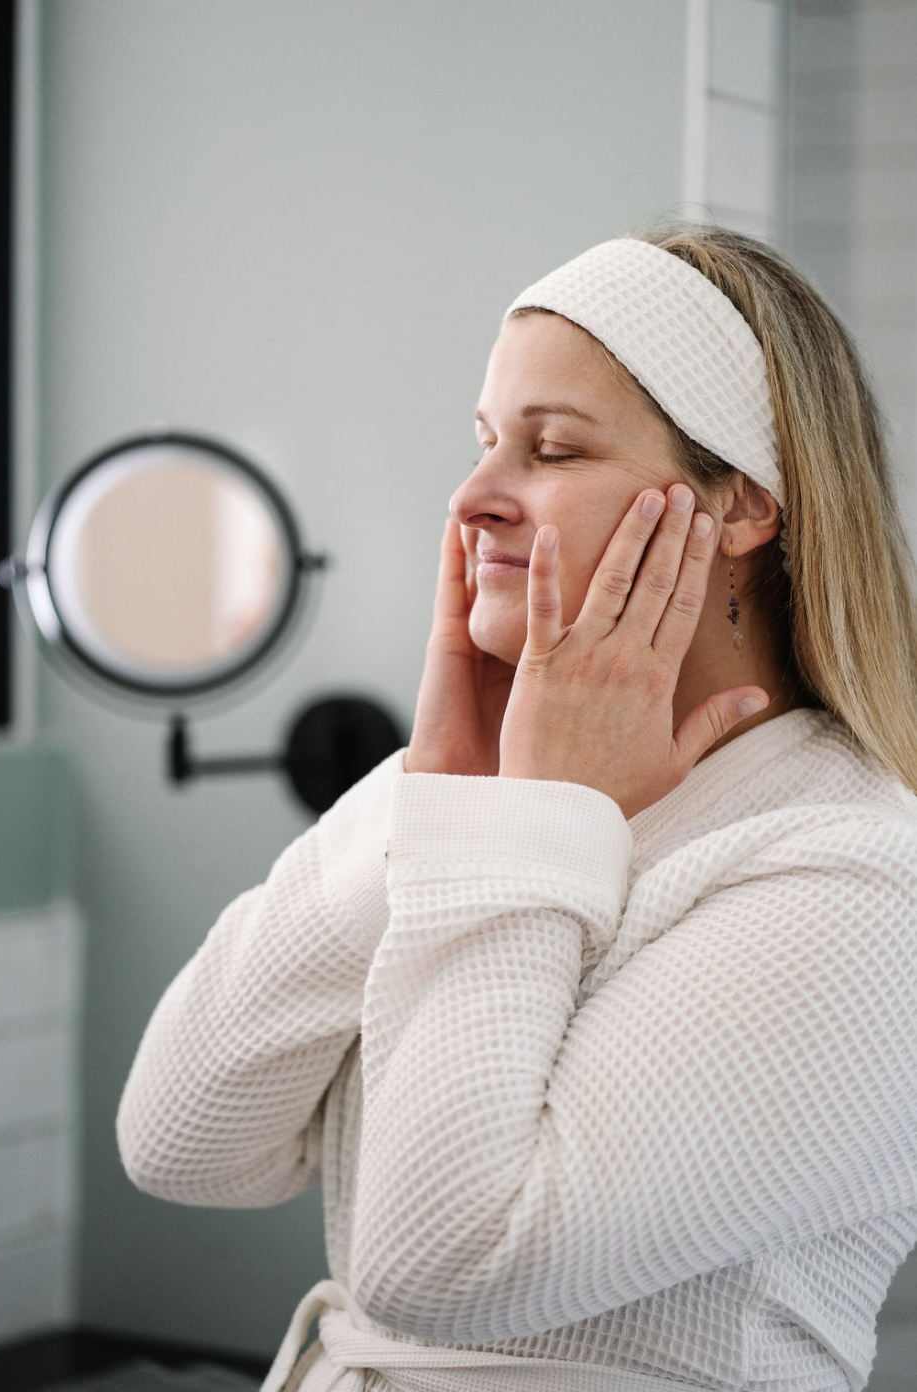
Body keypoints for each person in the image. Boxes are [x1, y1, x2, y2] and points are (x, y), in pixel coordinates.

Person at [117, 226, 917, 1392]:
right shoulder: (484, 792)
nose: (472, 498)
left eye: (552, 449)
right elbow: (181, 1142)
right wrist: (433, 795)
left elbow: (438, 1267)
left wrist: (537, 817)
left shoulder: (859, 887)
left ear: (743, 506)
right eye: (486, 441)